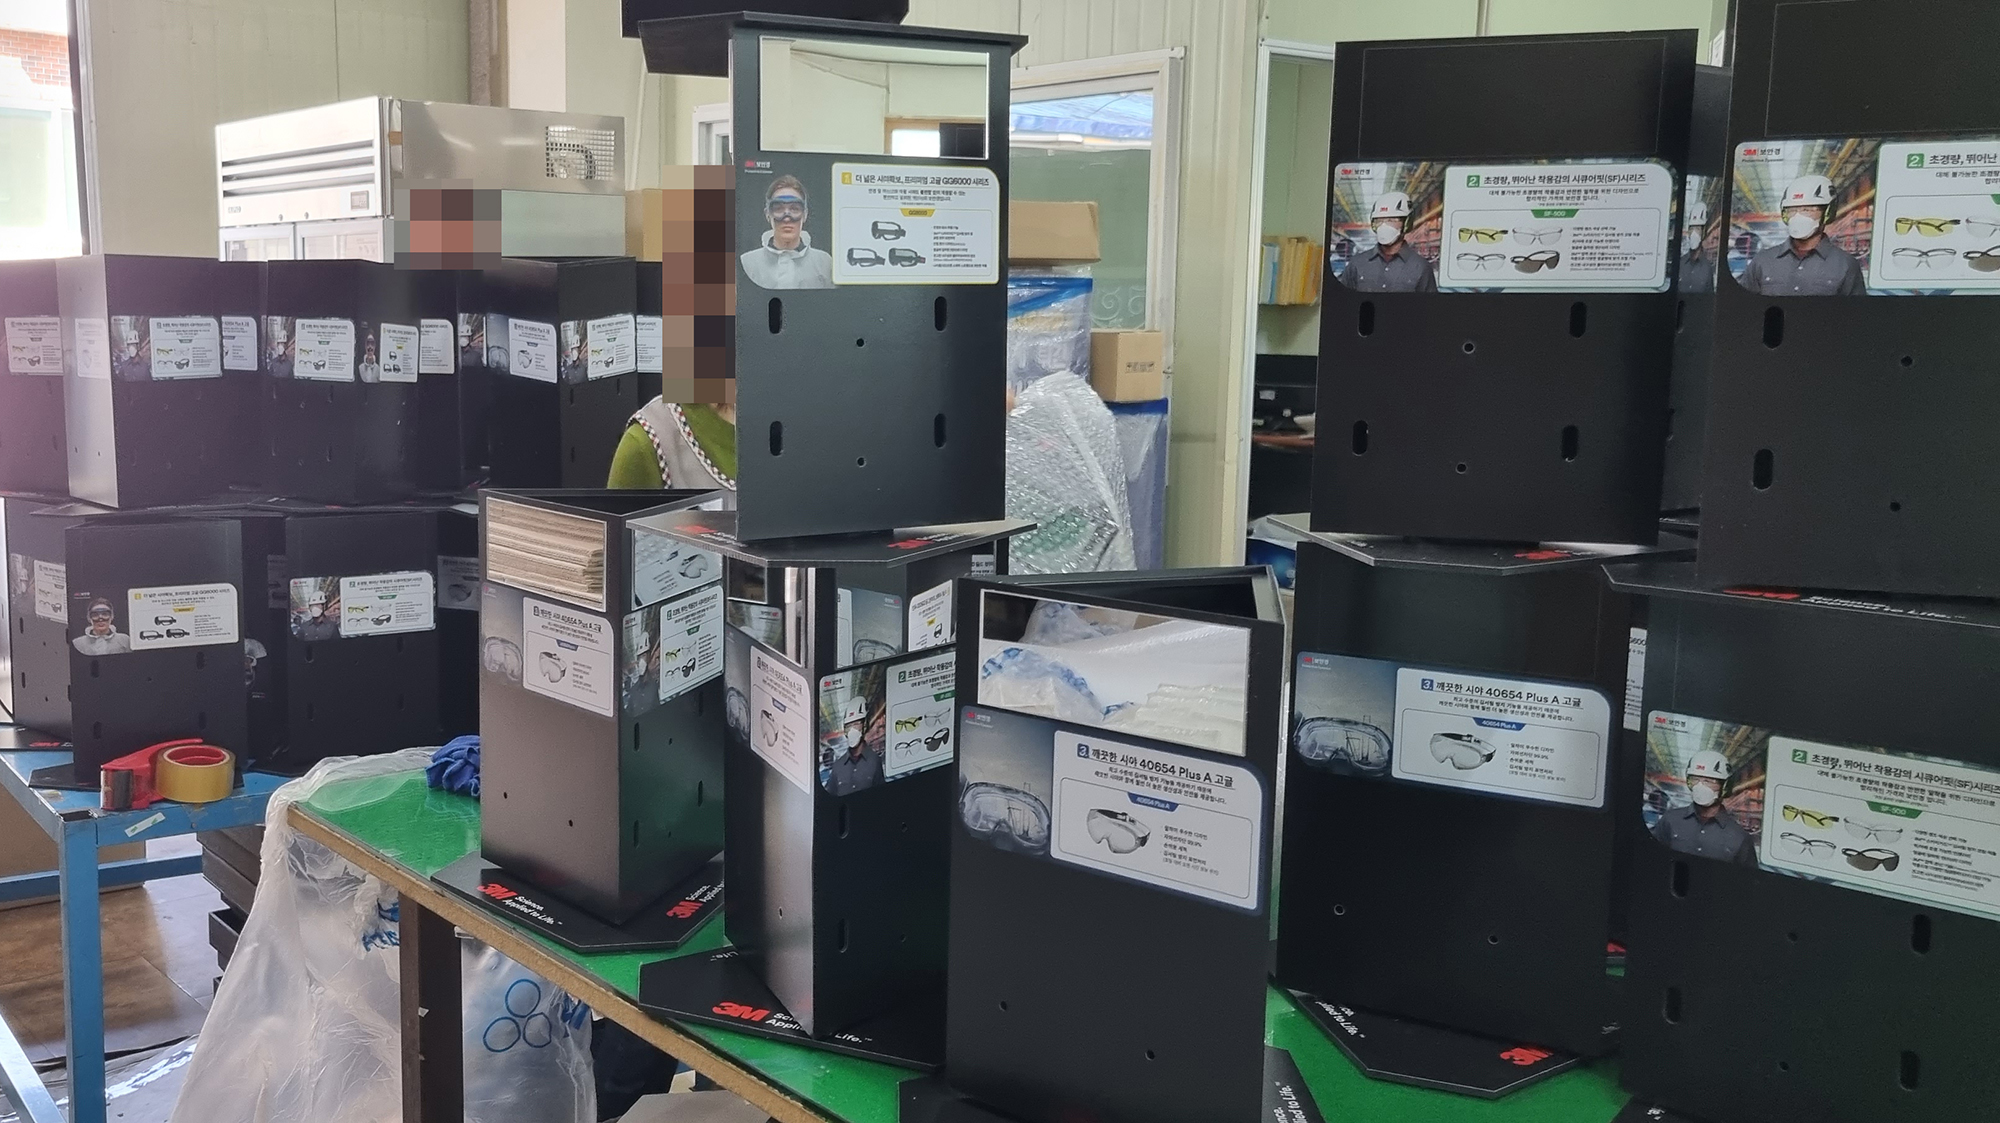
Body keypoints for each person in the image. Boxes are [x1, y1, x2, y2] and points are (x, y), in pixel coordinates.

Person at [1738, 174, 1865, 296]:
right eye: (1792, 210)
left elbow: (1855, 310)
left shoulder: (1846, 265)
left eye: (1807, 209)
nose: (1798, 216)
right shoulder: (1762, 261)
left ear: (1827, 213)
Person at [1651, 750, 1757, 867]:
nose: (1700, 786)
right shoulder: (1670, 820)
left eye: (1708, 780)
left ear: (1725, 786)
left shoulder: (1739, 837)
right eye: (1695, 779)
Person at [740, 175, 834, 290]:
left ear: (805, 214)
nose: (787, 218)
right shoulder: (747, 263)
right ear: (768, 214)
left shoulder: (825, 264)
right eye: (778, 209)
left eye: (795, 209)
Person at [1343, 191, 1438, 293]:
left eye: (1391, 220)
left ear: (1406, 223)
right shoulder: (1356, 263)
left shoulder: (1421, 267)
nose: (1384, 226)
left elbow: (1429, 302)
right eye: (1379, 220)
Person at [826, 696, 884, 796]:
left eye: (856, 724)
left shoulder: (874, 761)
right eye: (849, 726)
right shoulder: (838, 766)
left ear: (864, 725)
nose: (852, 730)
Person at [1678, 200, 1716, 294]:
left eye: (1698, 229)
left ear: (1703, 233)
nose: (1694, 233)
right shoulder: (1680, 263)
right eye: (1692, 229)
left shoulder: (1707, 268)